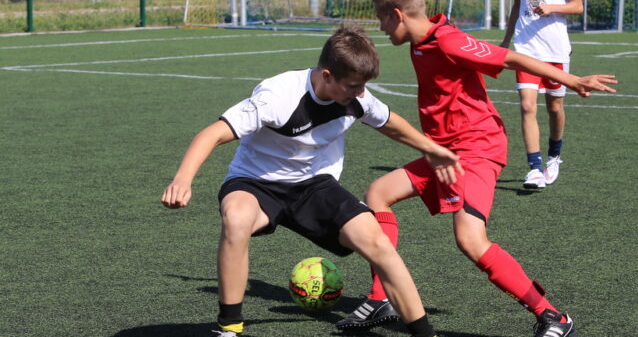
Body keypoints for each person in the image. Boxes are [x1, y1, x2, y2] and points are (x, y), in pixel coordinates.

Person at [335, 0, 617, 337]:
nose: (382, 29)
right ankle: (380, 298)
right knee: (378, 194)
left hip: (477, 147)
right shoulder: (420, 34)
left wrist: (573, 80)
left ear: (398, 15)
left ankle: (552, 316)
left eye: (383, 20)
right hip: (446, 150)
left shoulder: (449, 41)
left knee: (470, 240)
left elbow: (512, 58)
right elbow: (400, 1)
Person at [161, 26, 464, 337]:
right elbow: (212, 134)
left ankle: (425, 334)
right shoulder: (277, 96)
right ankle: (229, 328)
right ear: (328, 75)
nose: (360, 93)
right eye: (354, 86)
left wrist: (432, 149)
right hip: (256, 182)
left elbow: (388, 122)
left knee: (377, 241)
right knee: (236, 221)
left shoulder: (357, 96)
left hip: (314, 186)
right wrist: (183, 180)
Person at [499, 0, 585, 189]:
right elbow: (517, 8)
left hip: (555, 50)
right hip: (526, 49)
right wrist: (507, 41)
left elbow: (577, 6)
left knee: (554, 107)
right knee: (527, 106)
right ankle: (535, 169)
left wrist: (552, 7)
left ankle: (554, 157)